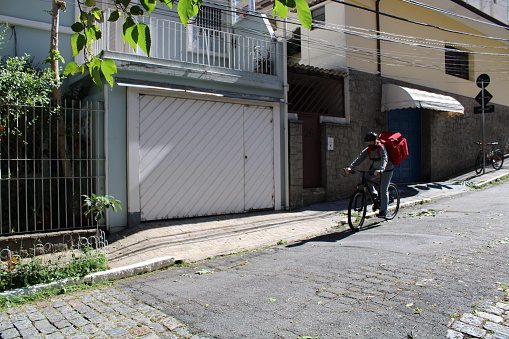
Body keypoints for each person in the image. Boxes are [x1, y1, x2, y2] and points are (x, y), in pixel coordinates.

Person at [345, 132, 394, 218]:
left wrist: (381, 169)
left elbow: (384, 159)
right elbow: (359, 159)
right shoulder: (367, 150)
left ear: (376, 141)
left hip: (387, 169)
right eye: (368, 143)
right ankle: (374, 194)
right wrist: (350, 167)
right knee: (367, 177)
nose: (369, 144)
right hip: (375, 169)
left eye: (371, 142)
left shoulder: (381, 148)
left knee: (383, 189)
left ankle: (383, 211)